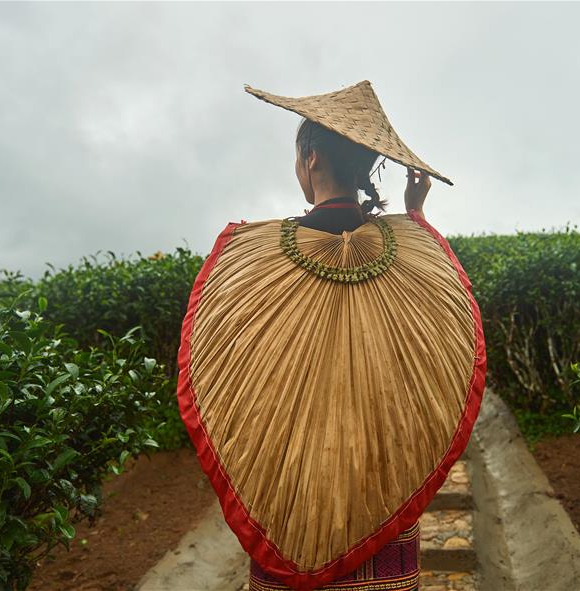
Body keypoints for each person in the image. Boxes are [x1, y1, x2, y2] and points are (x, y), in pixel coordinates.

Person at [176, 81, 486, 591]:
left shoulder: (251, 257)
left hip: (292, 487)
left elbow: (227, 363)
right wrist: (415, 216)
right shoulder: (410, 256)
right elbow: (445, 330)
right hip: (380, 478)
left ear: (312, 158)